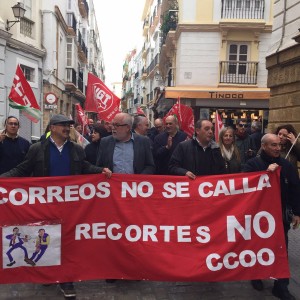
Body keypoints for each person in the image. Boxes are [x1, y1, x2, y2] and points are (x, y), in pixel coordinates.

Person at [0, 114, 110, 298]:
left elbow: (85, 167)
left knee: (68, 243)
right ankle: (50, 274)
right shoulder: (37, 149)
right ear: (52, 127)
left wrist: (101, 171)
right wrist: (2, 180)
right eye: (63, 125)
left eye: (69, 125)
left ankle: (67, 281)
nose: (67, 128)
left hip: (70, 206)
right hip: (46, 205)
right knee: (48, 240)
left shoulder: (76, 149)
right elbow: (23, 169)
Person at [243, 133, 300, 300]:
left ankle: (281, 287)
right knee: (257, 247)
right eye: (273, 145)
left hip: (280, 217)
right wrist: (265, 174)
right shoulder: (252, 164)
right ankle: (256, 276)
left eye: (279, 145)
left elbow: (295, 189)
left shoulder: (287, 165)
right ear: (264, 146)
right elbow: (245, 184)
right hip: (258, 218)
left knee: (282, 250)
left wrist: (297, 212)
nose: (278, 148)